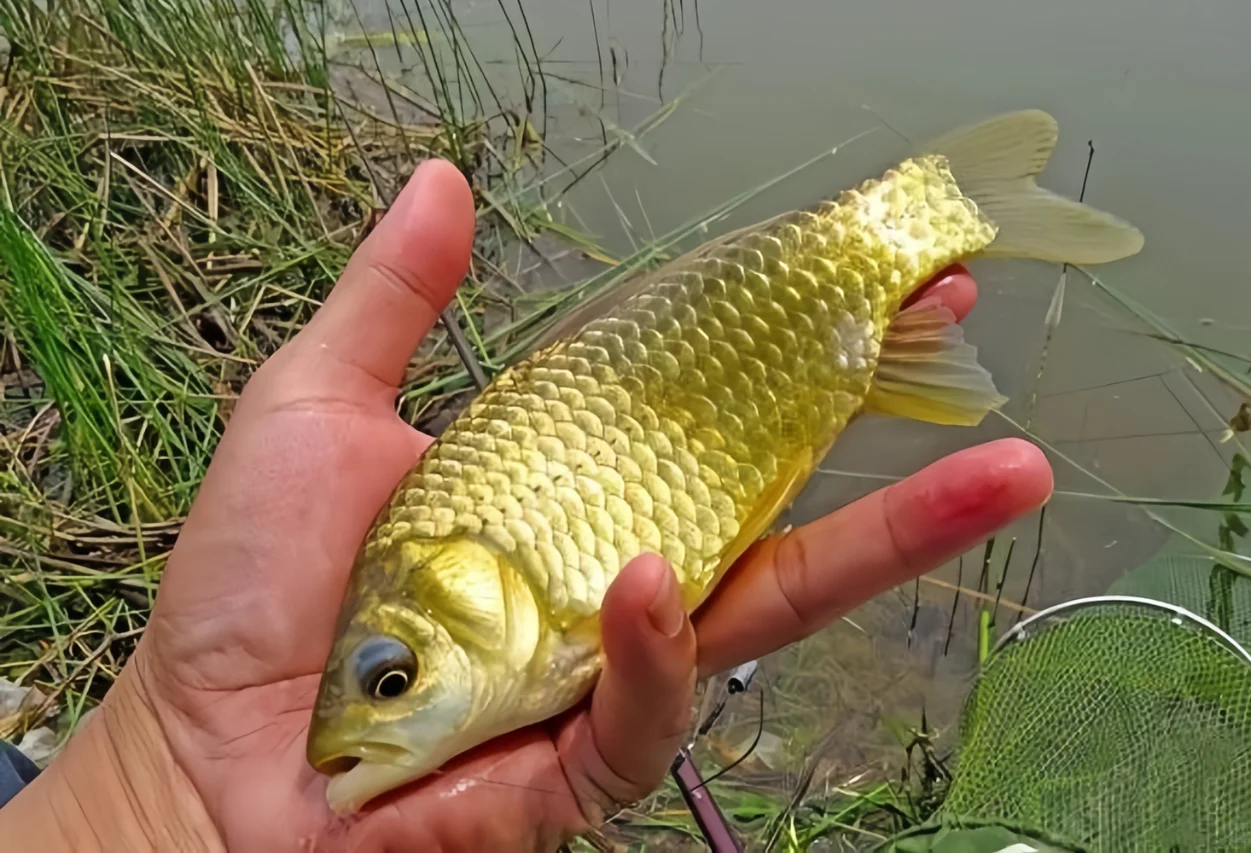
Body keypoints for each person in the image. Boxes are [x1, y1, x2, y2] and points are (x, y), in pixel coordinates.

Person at [0, 160, 1052, 851]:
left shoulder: (518, 603)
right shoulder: (502, 621)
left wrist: (154, 793)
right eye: (392, 679)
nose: (388, 699)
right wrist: (166, 796)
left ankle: (921, 227)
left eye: (393, 675)